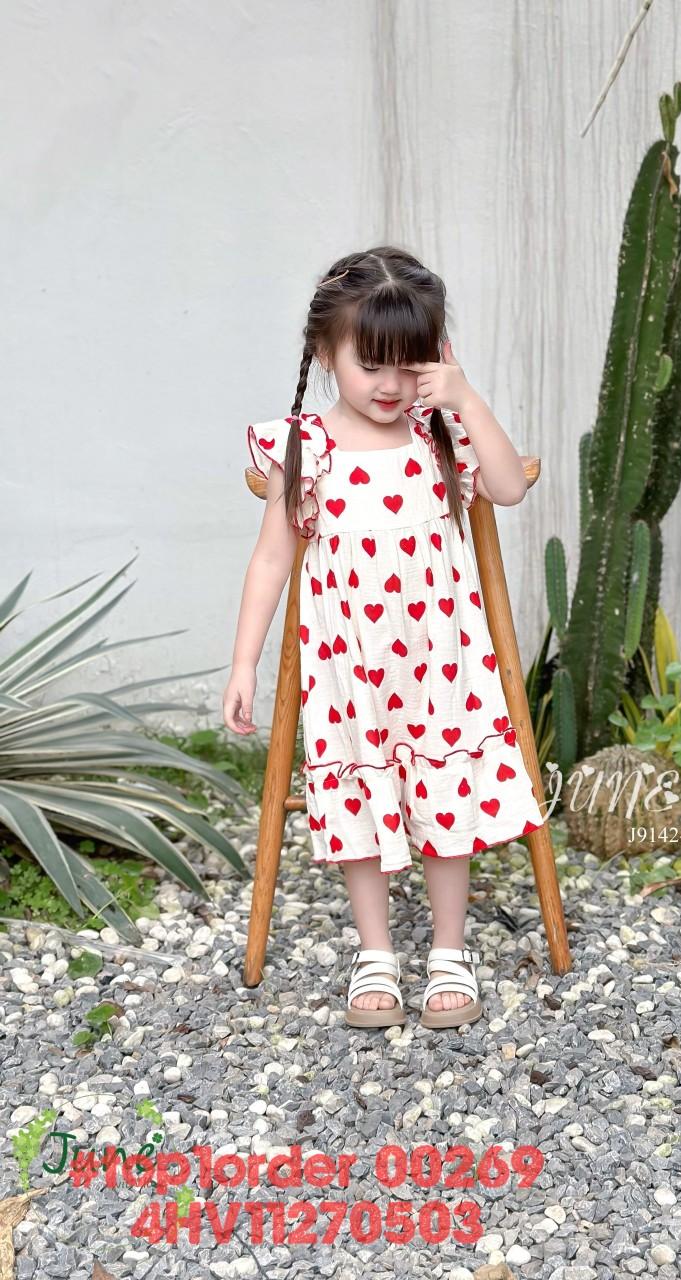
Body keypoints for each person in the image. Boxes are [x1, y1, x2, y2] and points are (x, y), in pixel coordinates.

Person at [223, 246, 546, 1031]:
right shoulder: (307, 446)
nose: (392, 385)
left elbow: (507, 487)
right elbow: (271, 559)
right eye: (371, 365)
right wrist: (244, 663)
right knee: (359, 790)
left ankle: (448, 950)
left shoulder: (439, 432)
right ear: (324, 351)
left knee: (445, 786)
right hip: (349, 668)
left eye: (411, 364)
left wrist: (464, 395)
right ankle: (375, 951)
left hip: (441, 660)